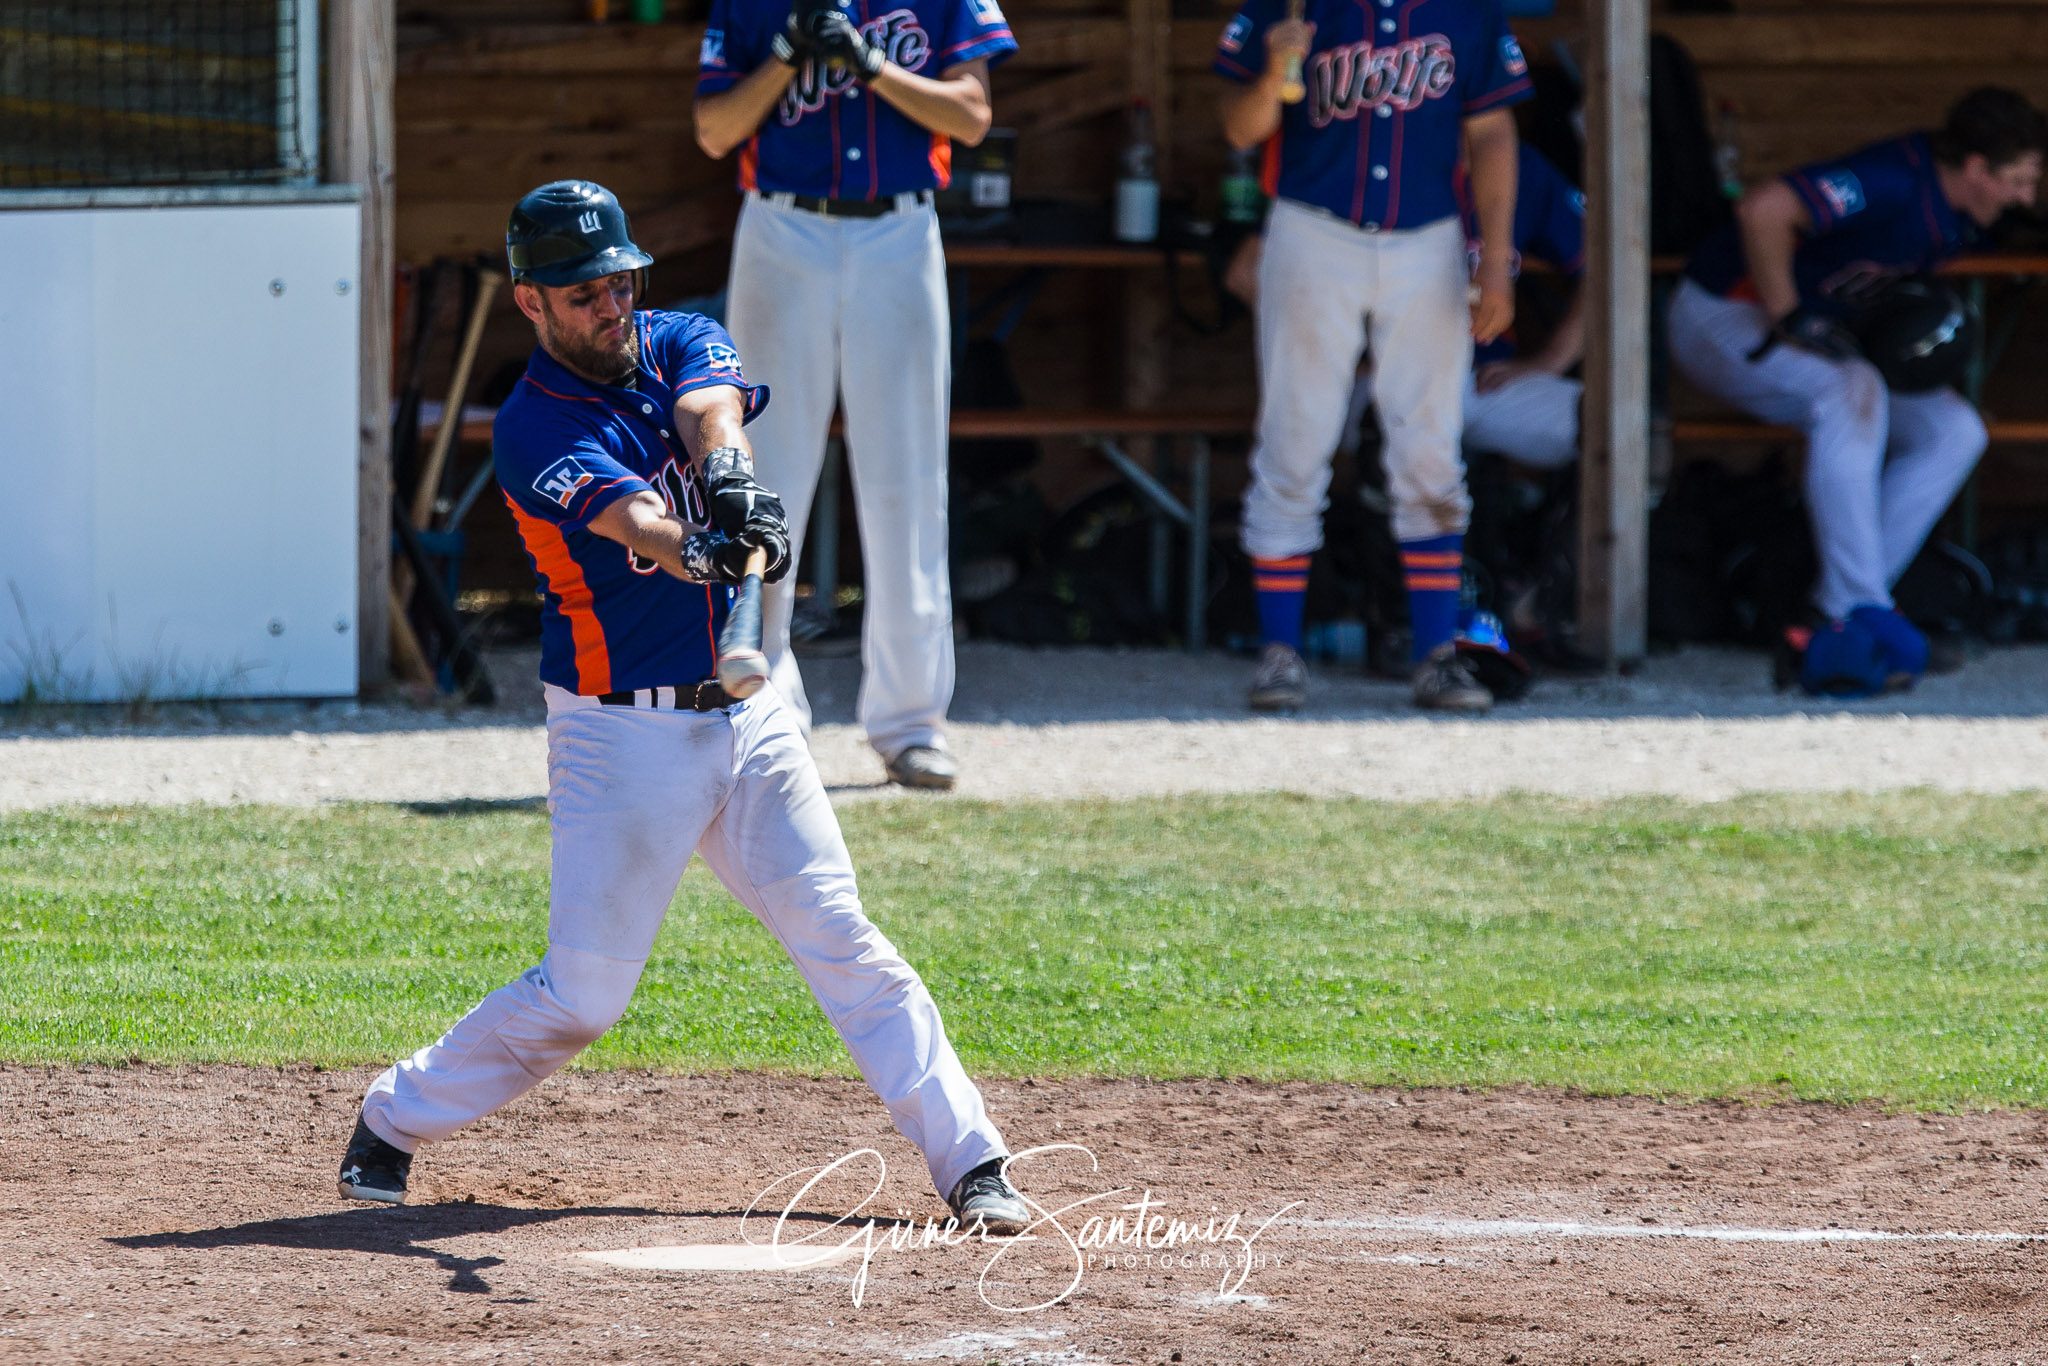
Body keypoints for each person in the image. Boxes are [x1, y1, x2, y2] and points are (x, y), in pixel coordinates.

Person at [336, 181, 1031, 1233]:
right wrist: (699, 544)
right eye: (583, 293)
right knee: (583, 998)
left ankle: (972, 1162)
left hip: (751, 716)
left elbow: (711, 411)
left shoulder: (676, 336)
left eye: (619, 281)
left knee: (840, 936)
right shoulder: (531, 425)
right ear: (531, 301)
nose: (609, 305)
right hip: (622, 732)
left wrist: (734, 481)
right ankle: (392, 1118)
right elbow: (638, 523)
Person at [692, 0, 1017, 790]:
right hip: (781, 227)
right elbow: (715, 130)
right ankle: (762, 708)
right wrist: (785, 56)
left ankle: (911, 724)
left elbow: (971, 116)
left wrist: (871, 65)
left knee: (908, 479)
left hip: (897, 230)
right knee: (763, 471)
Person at [1667, 87, 2046, 685]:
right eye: (2018, 181)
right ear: (1976, 168)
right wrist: (1787, 314)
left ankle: (1839, 608)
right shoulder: (1894, 179)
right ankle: (1860, 613)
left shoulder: (1962, 213)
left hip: (1824, 336)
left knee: (1955, 430)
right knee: (1849, 391)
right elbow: (1763, 209)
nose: (2025, 197)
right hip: (1720, 312)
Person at [1215, 0, 1532, 714]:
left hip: (1429, 238)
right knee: (1295, 438)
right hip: (1312, 230)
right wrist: (1273, 73)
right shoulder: (1290, 3)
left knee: (1430, 448)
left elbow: (1492, 130)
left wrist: (1496, 261)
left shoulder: (1467, 9)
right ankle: (1279, 652)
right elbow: (1238, 126)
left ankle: (1437, 656)